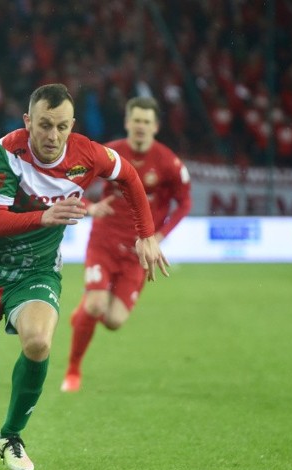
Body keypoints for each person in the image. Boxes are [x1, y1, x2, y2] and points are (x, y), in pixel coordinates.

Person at [0, 83, 169, 470]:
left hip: (37, 271)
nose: (53, 136)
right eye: (44, 125)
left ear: (72, 125)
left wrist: (145, 233)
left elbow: (129, 176)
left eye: (62, 126)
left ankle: (10, 435)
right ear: (28, 121)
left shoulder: (88, 154)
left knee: (39, 343)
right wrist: (43, 218)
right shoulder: (6, 153)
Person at [60, 97, 191, 393]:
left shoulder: (169, 162)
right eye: (137, 120)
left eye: (147, 121)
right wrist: (90, 207)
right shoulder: (111, 154)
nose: (141, 127)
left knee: (114, 320)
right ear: (127, 122)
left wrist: (159, 236)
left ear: (156, 127)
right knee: (96, 304)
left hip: (137, 253)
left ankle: (83, 313)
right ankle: (73, 371)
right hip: (104, 241)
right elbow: (69, 186)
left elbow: (184, 202)